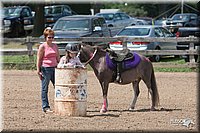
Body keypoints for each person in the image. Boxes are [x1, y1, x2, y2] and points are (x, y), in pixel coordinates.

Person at [36, 27, 60, 113]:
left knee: (58, 87)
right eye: (49, 37)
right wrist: (38, 70)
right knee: (45, 88)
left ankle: (59, 104)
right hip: (45, 69)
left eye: (52, 37)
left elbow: (57, 57)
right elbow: (39, 59)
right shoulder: (42, 46)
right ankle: (45, 106)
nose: (51, 39)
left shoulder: (55, 46)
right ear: (45, 37)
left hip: (55, 68)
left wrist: (60, 65)